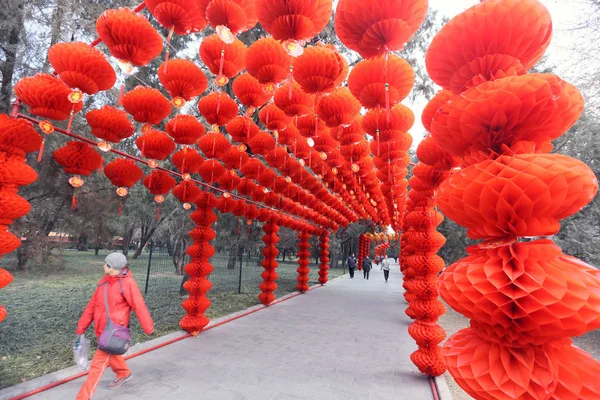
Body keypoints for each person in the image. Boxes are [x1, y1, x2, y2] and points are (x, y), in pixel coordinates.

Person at [75, 253, 154, 400]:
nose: (103, 266)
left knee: (97, 367)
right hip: (101, 330)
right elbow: (91, 307)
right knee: (111, 356)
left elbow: (139, 305)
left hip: (114, 333)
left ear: (113, 267)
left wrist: (148, 327)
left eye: (106, 264)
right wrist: (81, 327)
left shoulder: (127, 283)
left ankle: (82, 397)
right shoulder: (103, 282)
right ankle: (124, 373)